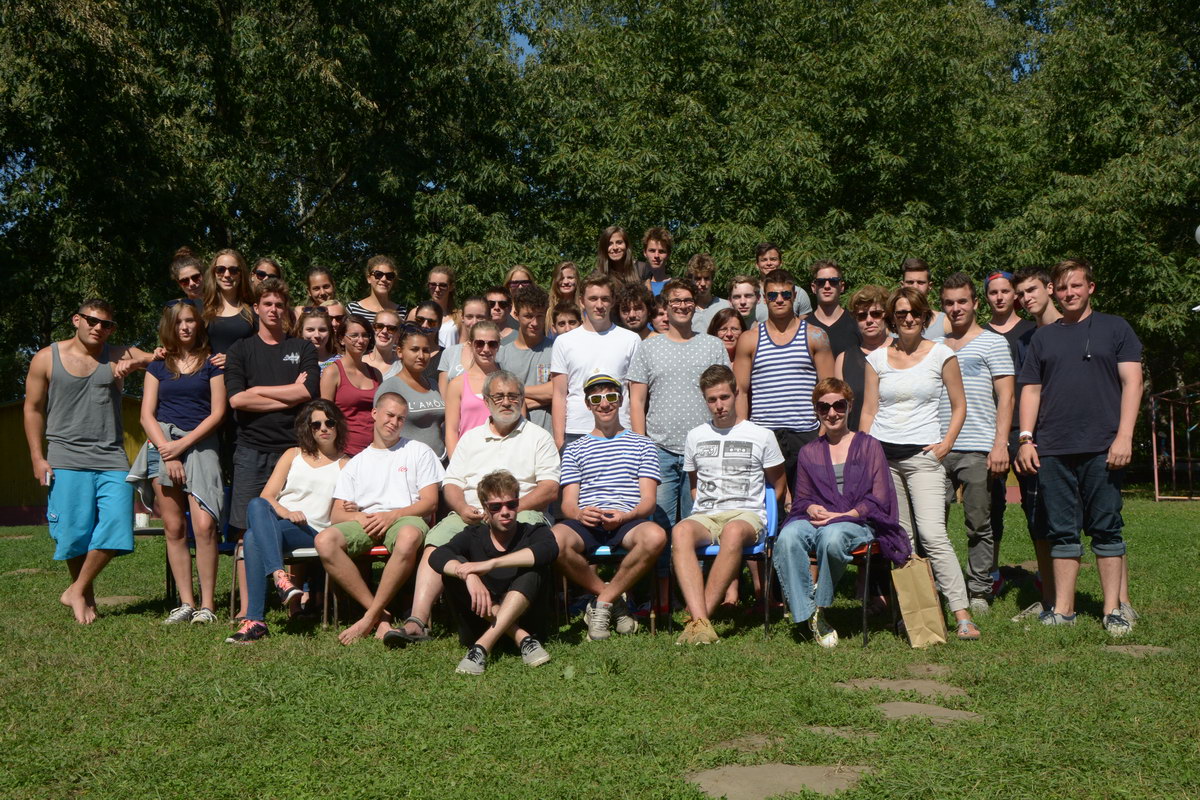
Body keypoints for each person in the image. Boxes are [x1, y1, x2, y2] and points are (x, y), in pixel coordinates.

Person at [1015, 259, 1142, 636]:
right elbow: (1031, 390)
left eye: (1076, 286)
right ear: (1054, 291)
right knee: (1061, 530)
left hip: (1103, 446)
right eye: (1063, 287)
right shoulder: (1042, 338)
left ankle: (1114, 609)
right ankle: (1063, 609)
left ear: (1091, 288)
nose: (1069, 293)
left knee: (1106, 528)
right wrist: (1025, 438)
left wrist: (1124, 436)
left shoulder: (1115, 327)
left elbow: (1133, 383)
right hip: (1053, 448)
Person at [395, 372, 560, 646]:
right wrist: (461, 508)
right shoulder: (470, 439)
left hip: (519, 512)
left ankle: (514, 618)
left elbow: (549, 489)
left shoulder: (538, 437)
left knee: (530, 533)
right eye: (499, 396)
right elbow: (452, 484)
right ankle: (418, 621)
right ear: (486, 401)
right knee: (437, 540)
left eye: (513, 396)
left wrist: (508, 508)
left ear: (522, 399)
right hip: (472, 513)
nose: (506, 402)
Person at [23, 299, 156, 624]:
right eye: (92, 321)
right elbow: (33, 408)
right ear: (76, 320)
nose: (98, 328)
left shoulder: (119, 354)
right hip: (65, 457)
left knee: (118, 524)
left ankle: (76, 589)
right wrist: (38, 457)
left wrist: (136, 363)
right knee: (74, 533)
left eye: (106, 324)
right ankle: (86, 599)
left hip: (111, 457)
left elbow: (162, 358)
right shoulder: (46, 358)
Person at [858, 287, 980, 640]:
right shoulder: (876, 359)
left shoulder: (941, 354)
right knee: (902, 540)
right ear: (892, 319)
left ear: (925, 316)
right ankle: (911, 616)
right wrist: (865, 455)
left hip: (923, 458)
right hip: (884, 460)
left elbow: (959, 404)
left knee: (933, 535)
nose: (908, 318)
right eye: (901, 313)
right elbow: (869, 411)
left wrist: (946, 444)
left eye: (914, 312)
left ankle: (962, 614)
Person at [773, 378, 911, 647]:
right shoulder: (809, 452)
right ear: (817, 411)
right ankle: (807, 613)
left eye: (838, 405)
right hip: (818, 518)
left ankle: (819, 604)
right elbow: (803, 499)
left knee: (833, 537)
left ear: (849, 406)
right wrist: (811, 507)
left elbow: (879, 498)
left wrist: (845, 514)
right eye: (824, 407)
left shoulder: (869, 445)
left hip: (859, 521)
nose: (832, 413)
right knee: (788, 536)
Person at [314, 392, 443, 645]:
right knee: (324, 541)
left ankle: (369, 617)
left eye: (401, 418)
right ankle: (380, 614)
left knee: (408, 536)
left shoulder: (418, 451)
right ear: (374, 413)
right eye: (390, 415)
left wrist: (392, 515)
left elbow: (430, 502)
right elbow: (336, 514)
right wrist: (360, 517)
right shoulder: (356, 463)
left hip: (406, 516)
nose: (394, 422)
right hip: (368, 520)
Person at [672, 365, 786, 645]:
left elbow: (778, 484)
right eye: (712, 400)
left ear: (736, 394)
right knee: (680, 531)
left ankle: (698, 621)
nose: (719, 405)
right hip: (707, 514)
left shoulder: (761, 435)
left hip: (746, 515)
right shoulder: (695, 436)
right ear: (705, 400)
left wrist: (762, 515)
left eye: (724, 397)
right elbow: (695, 485)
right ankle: (701, 622)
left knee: (733, 531)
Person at [553, 374, 667, 640]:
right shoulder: (574, 448)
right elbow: (568, 503)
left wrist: (626, 516)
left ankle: (602, 602)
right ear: (588, 405)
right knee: (553, 541)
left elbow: (648, 500)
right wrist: (579, 513)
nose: (604, 404)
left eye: (611, 397)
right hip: (588, 521)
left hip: (628, 520)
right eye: (596, 399)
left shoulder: (643, 444)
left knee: (656, 536)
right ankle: (615, 601)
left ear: (621, 400)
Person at [134, 302, 226, 625]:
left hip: (201, 445)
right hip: (162, 445)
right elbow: (146, 415)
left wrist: (182, 446)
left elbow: (218, 413)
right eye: (178, 322)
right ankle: (186, 603)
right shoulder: (158, 366)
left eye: (190, 321)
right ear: (169, 327)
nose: (185, 327)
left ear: (198, 325)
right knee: (174, 528)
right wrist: (167, 451)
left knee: (205, 526)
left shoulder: (212, 364)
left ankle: (207, 605)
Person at [226, 400, 349, 644]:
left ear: (338, 425)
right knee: (256, 507)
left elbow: (347, 505)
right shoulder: (293, 455)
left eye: (329, 422)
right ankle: (279, 578)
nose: (323, 428)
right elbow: (267, 496)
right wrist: (286, 512)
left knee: (252, 536)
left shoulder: (346, 464)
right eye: (316, 424)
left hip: (315, 531)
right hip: (281, 523)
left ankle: (255, 618)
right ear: (308, 428)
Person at [428, 470, 558, 674]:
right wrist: (470, 575)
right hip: (481, 625)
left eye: (511, 504)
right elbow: (437, 556)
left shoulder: (534, 531)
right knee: (455, 571)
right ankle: (520, 637)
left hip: (528, 622)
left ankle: (482, 647)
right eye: (496, 507)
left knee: (534, 569)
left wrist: (491, 564)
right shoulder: (473, 535)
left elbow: (548, 550)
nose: (505, 512)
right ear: (485, 509)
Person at [938, 273, 1015, 616]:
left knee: (979, 524)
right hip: (937, 446)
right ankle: (938, 587)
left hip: (978, 446)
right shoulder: (935, 345)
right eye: (949, 302)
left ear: (975, 303)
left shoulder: (993, 342)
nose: (956, 308)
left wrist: (1000, 444)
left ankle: (979, 589)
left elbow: (1007, 396)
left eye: (962, 301)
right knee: (932, 526)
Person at [224, 277, 320, 548]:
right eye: (267, 304)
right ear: (256, 307)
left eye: (279, 304)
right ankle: (248, 579)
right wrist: (289, 397)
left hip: (295, 451)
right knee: (245, 532)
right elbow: (237, 400)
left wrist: (257, 391)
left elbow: (307, 392)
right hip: (251, 451)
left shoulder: (302, 347)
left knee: (297, 526)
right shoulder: (240, 349)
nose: (273, 309)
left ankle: (286, 577)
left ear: (286, 308)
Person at [629, 279, 730, 530]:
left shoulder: (712, 345)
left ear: (695, 305)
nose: (682, 306)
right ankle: (663, 560)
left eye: (687, 300)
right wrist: (642, 446)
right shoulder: (648, 347)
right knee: (659, 523)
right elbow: (637, 400)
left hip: (704, 448)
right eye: (676, 300)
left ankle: (693, 559)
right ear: (665, 305)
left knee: (698, 522)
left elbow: (726, 395)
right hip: (659, 449)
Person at [733, 268, 834, 497]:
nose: (779, 300)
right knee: (768, 504)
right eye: (773, 295)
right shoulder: (749, 339)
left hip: (806, 433)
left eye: (785, 294)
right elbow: (741, 391)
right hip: (763, 433)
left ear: (794, 296)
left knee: (810, 502)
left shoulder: (815, 336)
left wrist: (823, 431)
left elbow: (830, 390)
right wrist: (744, 434)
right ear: (764, 298)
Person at [1008, 266, 1063, 616]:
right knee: (1037, 520)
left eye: (1032, 290)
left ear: (1050, 288)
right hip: (1032, 441)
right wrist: (1020, 439)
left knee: (1099, 522)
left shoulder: (1074, 329)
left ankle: (1119, 601)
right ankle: (1050, 597)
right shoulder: (1024, 342)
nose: (1027, 298)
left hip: (1071, 439)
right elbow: (1023, 391)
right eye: (1022, 293)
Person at [982, 269, 1037, 600]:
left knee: (1036, 503)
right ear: (986, 297)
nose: (1000, 297)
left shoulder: (1032, 331)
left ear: (1015, 295)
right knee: (991, 505)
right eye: (993, 292)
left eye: (1005, 291)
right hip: (988, 431)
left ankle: (1046, 572)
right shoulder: (980, 333)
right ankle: (991, 572)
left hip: (1027, 431)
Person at [550, 273, 643, 449]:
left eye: (605, 299)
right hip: (577, 431)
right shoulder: (564, 342)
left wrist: (640, 441)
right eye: (593, 299)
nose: (599, 305)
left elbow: (636, 397)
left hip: (621, 431)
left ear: (613, 301)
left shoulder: (631, 340)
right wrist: (559, 441)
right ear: (581, 301)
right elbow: (559, 395)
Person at [375, 326, 446, 460]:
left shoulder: (434, 384)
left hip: (440, 462)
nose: (421, 356)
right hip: (405, 463)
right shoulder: (390, 387)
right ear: (400, 352)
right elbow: (379, 432)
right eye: (414, 349)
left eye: (426, 350)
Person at [321, 313, 381, 456]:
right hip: (344, 452)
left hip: (375, 451)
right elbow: (325, 415)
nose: (360, 340)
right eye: (354, 335)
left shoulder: (376, 374)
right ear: (342, 339)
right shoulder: (332, 372)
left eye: (365, 335)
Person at [834, 285, 890, 432]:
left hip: (897, 440)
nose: (869, 320)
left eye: (876, 314)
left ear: (886, 315)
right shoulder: (843, 359)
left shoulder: (901, 350)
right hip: (856, 438)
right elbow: (840, 408)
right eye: (862, 316)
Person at [500, 285, 555, 433]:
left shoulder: (556, 350)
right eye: (529, 316)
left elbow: (557, 391)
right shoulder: (502, 355)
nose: (535, 323)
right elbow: (500, 399)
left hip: (549, 435)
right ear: (516, 315)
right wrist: (543, 397)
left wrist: (516, 391)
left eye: (540, 316)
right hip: (513, 436)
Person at [445, 320, 502, 457]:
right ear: (470, 345)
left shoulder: (508, 383)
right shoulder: (457, 384)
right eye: (479, 343)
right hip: (469, 457)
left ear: (498, 346)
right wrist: (455, 464)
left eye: (492, 344)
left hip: (502, 456)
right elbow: (451, 431)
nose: (486, 349)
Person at [202, 248, 256, 367]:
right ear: (213, 273)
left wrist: (233, 358)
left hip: (242, 374)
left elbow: (262, 349)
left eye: (233, 270)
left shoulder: (253, 310)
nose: (227, 275)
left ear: (241, 274)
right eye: (220, 270)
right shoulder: (201, 308)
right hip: (209, 375)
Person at [806, 260, 860, 357]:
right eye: (821, 282)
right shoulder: (804, 327)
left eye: (833, 281)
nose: (827, 286)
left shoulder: (858, 322)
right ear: (813, 287)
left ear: (842, 287)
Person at [438, 296, 489, 395]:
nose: (474, 322)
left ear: (489, 318)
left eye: (480, 317)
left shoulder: (500, 352)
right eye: (469, 317)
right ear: (462, 318)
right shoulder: (449, 353)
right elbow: (443, 395)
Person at [752, 243, 812, 321]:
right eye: (764, 260)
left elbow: (805, 325)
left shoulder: (799, 293)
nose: (769, 263)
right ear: (757, 264)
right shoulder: (749, 294)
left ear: (780, 263)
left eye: (773, 259)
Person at [899, 257, 949, 341]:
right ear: (902, 285)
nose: (915, 287)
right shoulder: (889, 324)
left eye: (920, 282)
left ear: (930, 286)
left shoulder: (945, 322)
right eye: (910, 282)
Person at [347, 255, 405, 326]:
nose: (384, 279)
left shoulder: (401, 311)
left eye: (389, 276)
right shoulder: (353, 309)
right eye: (378, 275)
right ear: (369, 278)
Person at [687, 254, 732, 333]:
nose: (703, 283)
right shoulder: (685, 307)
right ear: (691, 280)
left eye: (706, 278)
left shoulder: (724, 306)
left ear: (712, 280)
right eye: (698, 278)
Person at [425, 266, 459, 348]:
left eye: (443, 285)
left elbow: (464, 348)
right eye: (433, 284)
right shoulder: (416, 314)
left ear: (451, 287)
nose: (437, 289)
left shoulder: (459, 317)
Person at [362, 308, 401, 375]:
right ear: (373, 329)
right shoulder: (359, 362)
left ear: (398, 335)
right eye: (379, 326)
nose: (384, 331)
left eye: (391, 328)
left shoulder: (402, 367)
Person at [547, 261, 580, 331]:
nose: (566, 282)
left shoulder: (585, 307)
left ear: (577, 280)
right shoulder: (546, 308)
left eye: (570, 277)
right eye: (561, 278)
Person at [642, 226, 673, 295]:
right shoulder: (637, 286)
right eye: (652, 251)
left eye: (661, 251)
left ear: (668, 254)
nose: (656, 256)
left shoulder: (675, 286)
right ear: (644, 252)